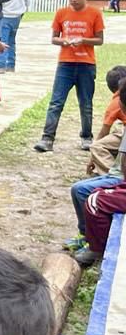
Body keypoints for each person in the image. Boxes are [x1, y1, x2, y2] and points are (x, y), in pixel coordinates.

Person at [34, 0, 105, 153]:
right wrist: (64, 41)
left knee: (86, 103)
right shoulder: (61, 13)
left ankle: (86, 137)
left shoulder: (95, 13)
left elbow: (99, 40)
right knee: (56, 102)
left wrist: (83, 40)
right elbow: (54, 38)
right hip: (65, 64)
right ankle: (47, 138)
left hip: (86, 64)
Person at [65, 71, 126, 255]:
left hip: (120, 178)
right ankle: (85, 234)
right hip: (117, 174)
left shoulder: (116, 106)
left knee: (87, 194)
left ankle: (95, 246)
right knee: (78, 188)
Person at [0, 0, 30, 72]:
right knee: (12, 41)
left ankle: (1, 65)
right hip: (17, 16)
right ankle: (11, 65)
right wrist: (23, 11)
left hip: (5, 14)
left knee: (3, 40)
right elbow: (27, 0)